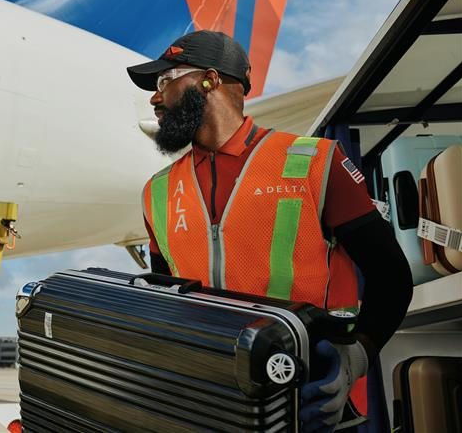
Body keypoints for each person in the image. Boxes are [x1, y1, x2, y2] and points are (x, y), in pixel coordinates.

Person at [126, 30, 413, 432]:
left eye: (165, 81)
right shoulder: (156, 192)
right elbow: (166, 302)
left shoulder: (314, 162)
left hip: (309, 403)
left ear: (209, 80)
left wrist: (354, 361)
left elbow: (391, 276)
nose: (155, 98)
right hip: (213, 405)